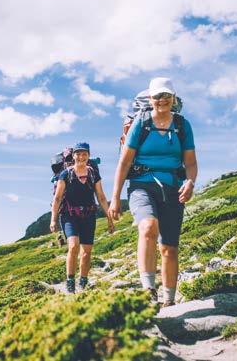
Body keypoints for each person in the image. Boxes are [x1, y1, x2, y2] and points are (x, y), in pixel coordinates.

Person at [108, 77, 198, 307]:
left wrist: (190, 182)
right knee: (148, 227)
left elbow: (190, 163)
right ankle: (149, 289)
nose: (162, 100)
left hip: (173, 188)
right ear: (150, 99)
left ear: (173, 98)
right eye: (157, 96)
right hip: (141, 184)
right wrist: (116, 198)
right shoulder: (141, 123)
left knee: (169, 248)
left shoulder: (182, 125)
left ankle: (169, 301)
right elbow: (124, 162)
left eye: (166, 95)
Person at [50, 142, 114, 293]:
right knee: (73, 246)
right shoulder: (66, 174)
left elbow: (102, 197)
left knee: (86, 252)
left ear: (89, 156)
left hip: (88, 215)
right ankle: (70, 281)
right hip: (69, 216)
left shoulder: (93, 174)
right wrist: (53, 219)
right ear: (73, 156)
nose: (81, 156)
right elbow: (58, 198)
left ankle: (83, 282)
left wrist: (109, 218)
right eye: (78, 154)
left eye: (84, 154)